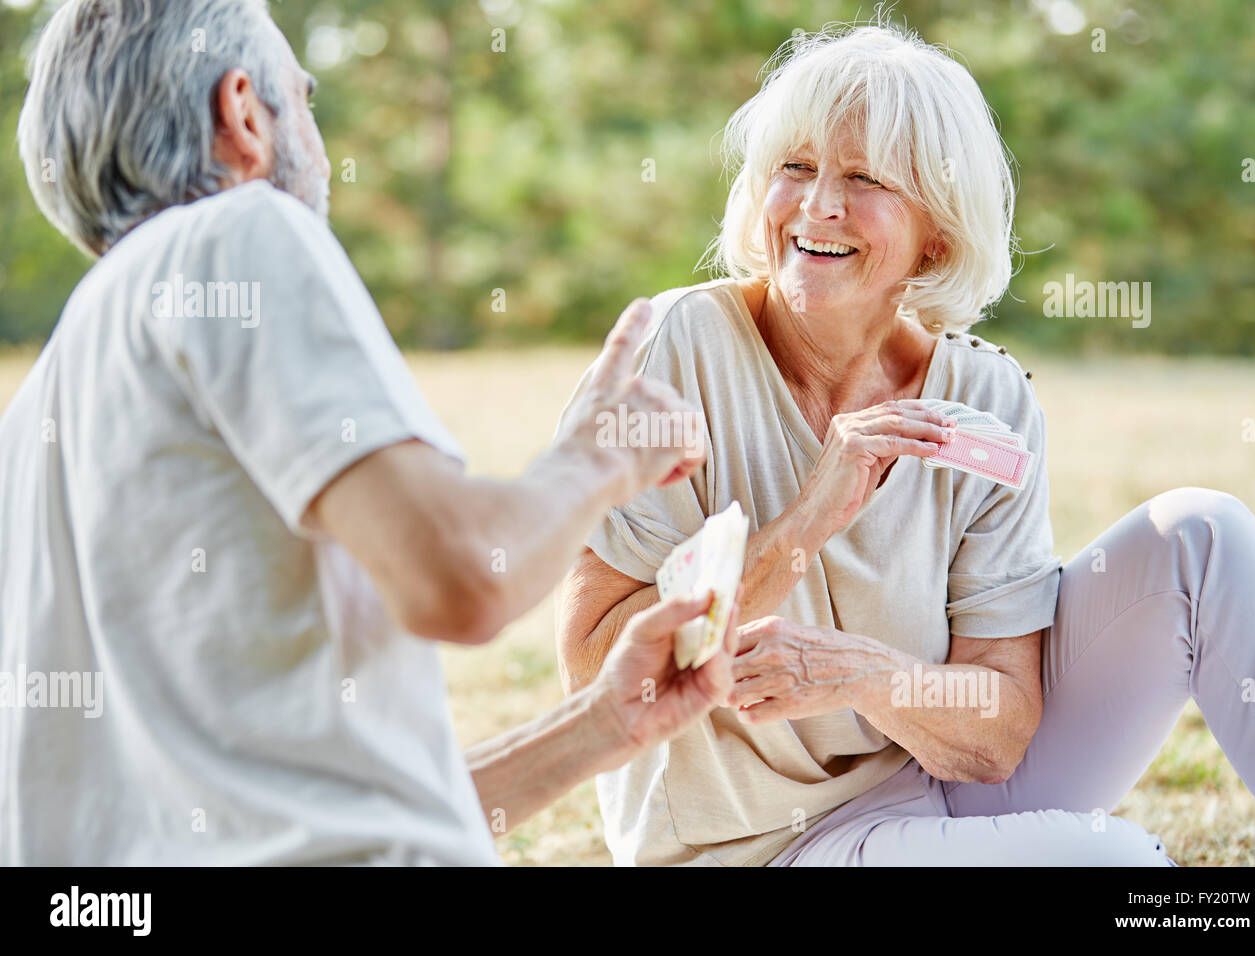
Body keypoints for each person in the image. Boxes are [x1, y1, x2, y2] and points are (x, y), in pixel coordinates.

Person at [0, 0, 737, 865]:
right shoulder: (240, 232)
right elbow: (461, 580)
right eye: (303, 102)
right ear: (243, 115)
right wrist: (604, 452)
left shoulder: (35, 415)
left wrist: (600, 726)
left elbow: (288, 822)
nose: (319, 147)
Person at [556, 22, 1255, 866]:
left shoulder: (986, 394)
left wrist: (857, 675)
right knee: (1116, 864)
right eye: (794, 168)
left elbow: (1001, 734)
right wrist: (804, 524)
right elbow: (590, 672)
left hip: (940, 781)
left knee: (1203, 537)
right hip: (754, 848)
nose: (816, 204)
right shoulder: (678, 352)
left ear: (936, 237)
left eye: (864, 177)